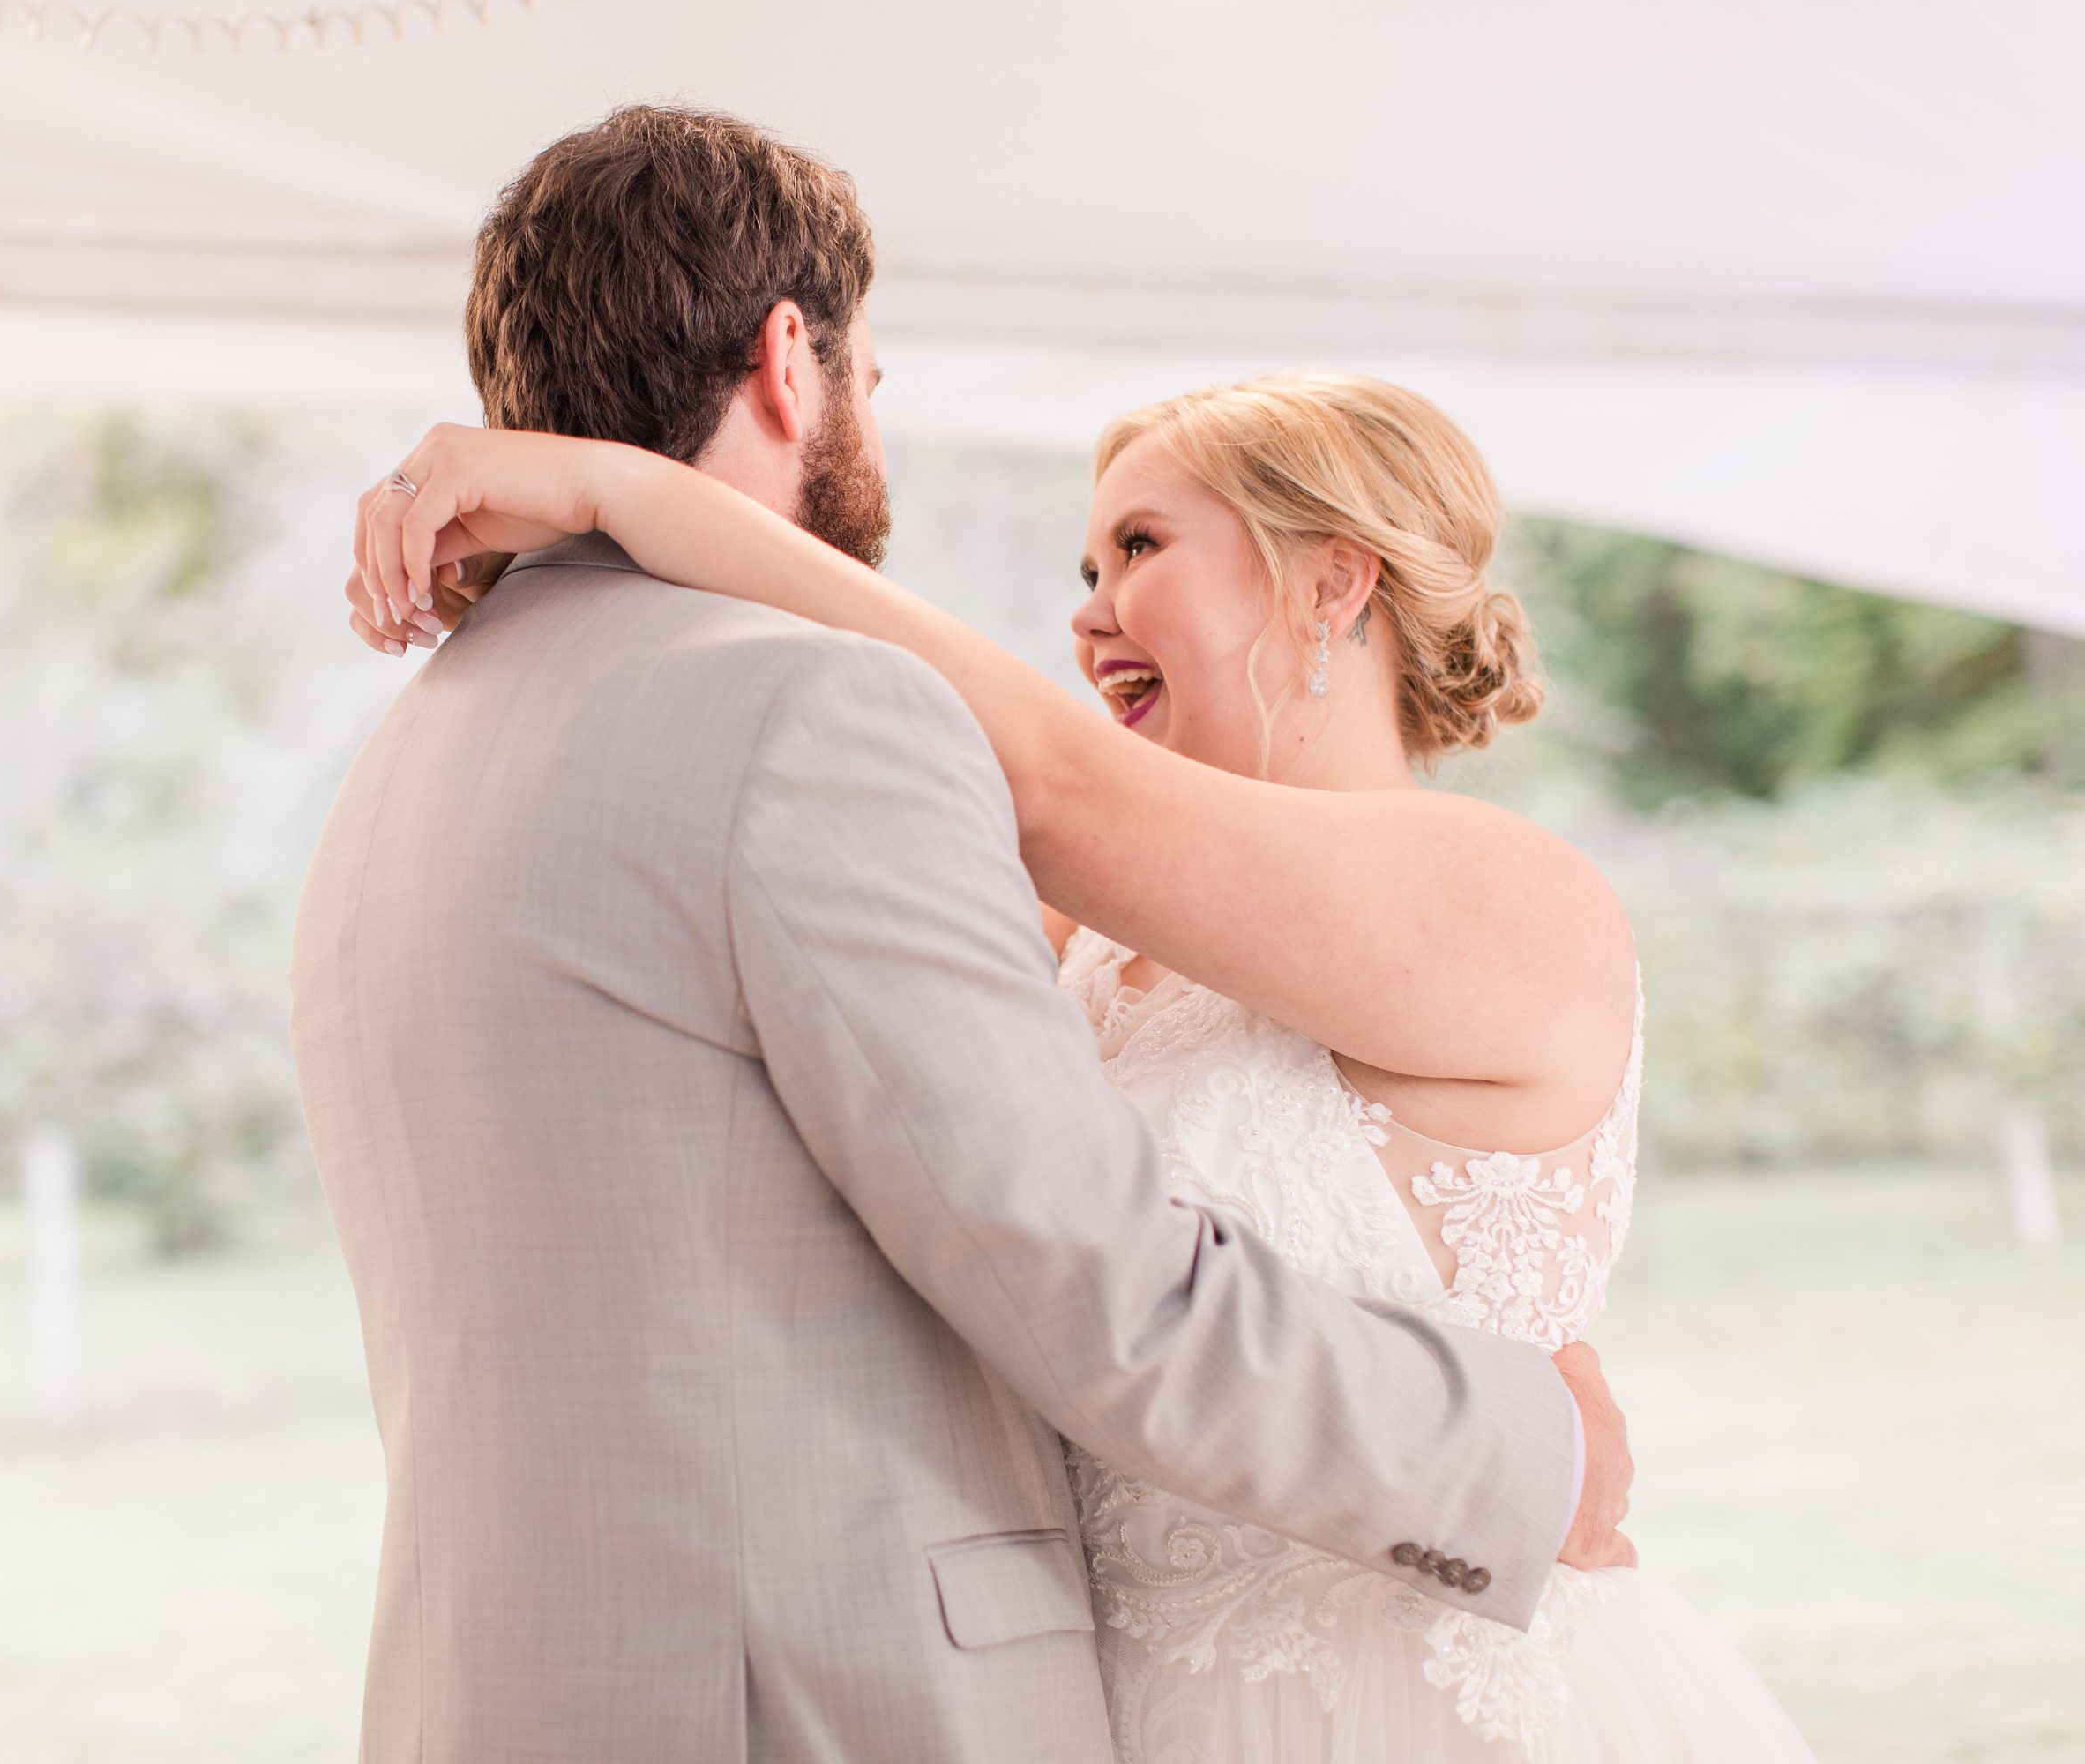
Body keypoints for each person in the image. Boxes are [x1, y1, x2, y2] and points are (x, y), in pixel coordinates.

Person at [296, 104, 1638, 1764]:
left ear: (1334, 584)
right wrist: (1526, 1455)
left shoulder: (416, 756)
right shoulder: (818, 727)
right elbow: (1090, 1277)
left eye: (1140, 549)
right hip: (823, 1695)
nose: (1084, 612)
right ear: (794, 361)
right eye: (1094, 555)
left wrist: (611, 489)